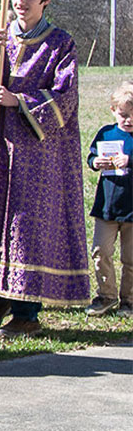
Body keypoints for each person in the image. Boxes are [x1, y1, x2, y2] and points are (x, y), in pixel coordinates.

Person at [0, 0, 89, 336]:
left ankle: (27, 311)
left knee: (27, 225)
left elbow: (66, 97)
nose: (20, 2)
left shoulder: (60, 43)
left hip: (37, 151)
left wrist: (18, 100)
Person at [85, 81, 133, 316]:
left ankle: (129, 301)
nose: (129, 120)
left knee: (130, 258)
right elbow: (91, 158)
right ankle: (106, 296)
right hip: (107, 207)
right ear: (114, 111)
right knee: (100, 251)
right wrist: (96, 162)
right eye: (124, 115)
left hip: (132, 210)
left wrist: (130, 161)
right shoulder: (106, 133)